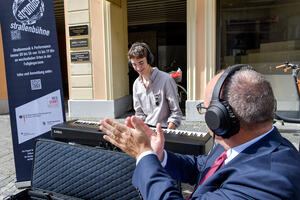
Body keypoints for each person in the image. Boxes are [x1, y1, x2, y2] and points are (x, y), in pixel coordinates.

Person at [100, 64, 300, 199]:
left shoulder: (269, 181)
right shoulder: (237, 141)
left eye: (205, 109)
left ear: (220, 119)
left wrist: (143, 156)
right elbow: (202, 167)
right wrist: (159, 156)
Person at [128, 42, 182, 129]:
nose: (138, 68)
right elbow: (139, 113)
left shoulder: (166, 80)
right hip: (146, 130)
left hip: (165, 129)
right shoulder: (136, 84)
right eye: (134, 64)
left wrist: (166, 134)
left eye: (141, 63)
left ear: (149, 60)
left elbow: (176, 113)